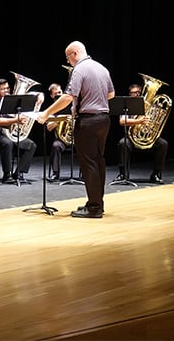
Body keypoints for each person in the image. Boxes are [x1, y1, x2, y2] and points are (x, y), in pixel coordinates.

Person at [36, 41, 115, 218]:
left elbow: (68, 97)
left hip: (88, 121)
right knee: (98, 161)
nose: (68, 61)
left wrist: (46, 113)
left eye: (68, 57)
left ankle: (94, 208)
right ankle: (96, 203)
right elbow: (111, 95)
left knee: (89, 164)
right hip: (104, 120)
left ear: (74, 53)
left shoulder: (79, 69)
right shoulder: (102, 68)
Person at [0, 78, 40, 184]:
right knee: (7, 143)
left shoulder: (14, 101)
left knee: (31, 145)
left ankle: (18, 173)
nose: (6, 91)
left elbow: (30, 100)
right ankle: (7, 175)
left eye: (7, 88)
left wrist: (39, 96)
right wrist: (15, 120)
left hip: (12, 134)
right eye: (3, 89)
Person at [114, 83, 168, 184]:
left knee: (163, 144)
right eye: (134, 93)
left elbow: (154, 122)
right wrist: (138, 122)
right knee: (122, 143)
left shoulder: (150, 105)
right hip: (131, 137)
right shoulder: (126, 106)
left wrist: (158, 115)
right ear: (130, 94)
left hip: (147, 137)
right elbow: (122, 121)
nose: (137, 94)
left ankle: (156, 174)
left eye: (139, 92)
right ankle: (122, 174)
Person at [45, 83, 68, 181]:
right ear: (51, 96)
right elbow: (49, 128)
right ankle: (55, 173)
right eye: (56, 94)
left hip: (76, 137)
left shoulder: (71, 105)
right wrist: (60, 119)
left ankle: (85, 174)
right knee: (56, 146)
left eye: (60, 92)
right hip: (62, 139)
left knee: (86, 144)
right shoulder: (52, 110)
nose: (58, 95)